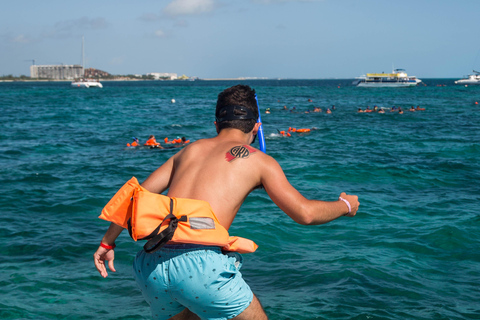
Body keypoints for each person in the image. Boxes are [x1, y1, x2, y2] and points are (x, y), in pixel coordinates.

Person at [93, 85, 360, 320]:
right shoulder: (259, 160)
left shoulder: (189, 150)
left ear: (216, 125)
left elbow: (133, 195)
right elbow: (305, 214)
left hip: (150, 264)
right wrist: (345, 206)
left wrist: (107, 243)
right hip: (201, 267)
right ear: (257, 127)